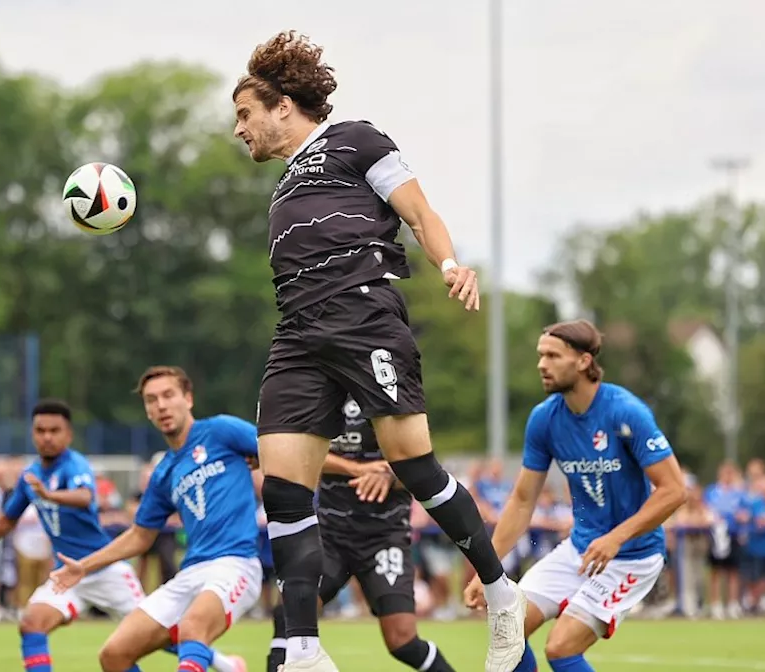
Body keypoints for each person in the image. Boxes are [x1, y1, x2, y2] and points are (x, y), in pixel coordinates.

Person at [229, 31, 524, 672]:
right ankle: (302, 647)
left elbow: (419, 211)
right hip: (298, 335)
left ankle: (503, 596)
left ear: (283, 105)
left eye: (244, 114)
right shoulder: (283, 187)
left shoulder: (356, 139)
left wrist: (448, 262)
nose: (238, 130)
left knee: (414, 466)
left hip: (364, 317)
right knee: (282, 487)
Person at [0, 398, 246, 672]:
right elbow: (8, 520)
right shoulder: (30, 475)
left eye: (54, 430)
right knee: (31, 622)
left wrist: (49, 495)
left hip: (106, 569)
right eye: (40, 430)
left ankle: (224, 663)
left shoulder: (76, 465)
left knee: (159, 635)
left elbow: (85, 497)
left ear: (68, 434)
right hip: (67, 574)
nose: (47, 437)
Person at [463, 320, 687, 672]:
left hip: (633, 557)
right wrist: (487, 570)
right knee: (508, 632)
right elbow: (523, 501)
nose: (541, 364)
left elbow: (674, 491)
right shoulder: (544, 419)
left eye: (553, 356)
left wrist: (615, 538)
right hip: (579, 550)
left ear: (583, 362)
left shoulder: (625, 411)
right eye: (540, 355)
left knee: (561, 648)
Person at [49, 366, 263, 672]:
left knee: (192, 628)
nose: (160, 405)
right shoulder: (164, 472)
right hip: (191, 571)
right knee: (114, 654)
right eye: (151, 400)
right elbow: (140, 536)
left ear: (188, 399)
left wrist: (353, 469)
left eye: (168, 395)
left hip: (237, 563)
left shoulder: (220, 431)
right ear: (147, 411)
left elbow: (280, 450)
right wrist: (83, 566)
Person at [266, 397, 455, 672]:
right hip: (330, 535)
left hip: (384, 537)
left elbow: (425, 470)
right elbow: (305, 453)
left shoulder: (393, 395)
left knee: (403, 641)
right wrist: (356, 468)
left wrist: (390, 475)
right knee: (288, 613)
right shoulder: (321, 393)